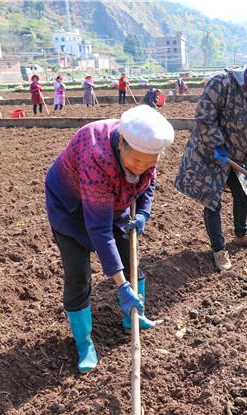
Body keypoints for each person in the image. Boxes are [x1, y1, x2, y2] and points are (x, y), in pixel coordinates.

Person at [44, 105, 174, 373]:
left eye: (148, 162)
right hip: (71, 209)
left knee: (130, 254)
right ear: (121, 143)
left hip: (114, 203)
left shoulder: (146, 148)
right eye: (135, 161)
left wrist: (144, 214)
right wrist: (121, 285)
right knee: (79, 275)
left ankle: (133, 318)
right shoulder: (97, 156)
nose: (141, 167)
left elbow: (148, 183)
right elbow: (100, 230)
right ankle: (84, 344)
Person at [175, 56, 247, 272]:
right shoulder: (221, 83)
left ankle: (241, 234)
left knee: (243, 194)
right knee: (212, 201)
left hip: (235, 158)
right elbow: (204, 117)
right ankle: (218, 249)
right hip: (208, 154)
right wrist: (217, 145)